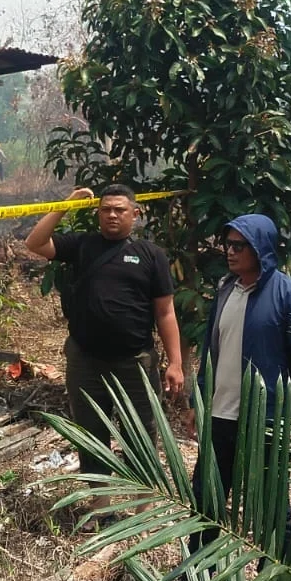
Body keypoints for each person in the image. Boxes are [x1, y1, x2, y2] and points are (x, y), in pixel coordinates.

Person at [26, 185, 186, 477]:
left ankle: (142, 511)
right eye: (106, 210)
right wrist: (66, 204)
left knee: (140, 431)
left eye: (120, 210)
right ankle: (101, 508)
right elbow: (35, 243)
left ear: (135, 214)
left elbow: (165, 312)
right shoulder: (82, 245)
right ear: (98, 214)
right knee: (90, 432)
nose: (112, 215)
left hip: (135, 360)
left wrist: (175, 363)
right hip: (85, 359)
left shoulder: (151, 255)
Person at [191, 214, 291, 551]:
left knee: (271, 512)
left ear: (260, 248)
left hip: (265, 424)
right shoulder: (226, 290)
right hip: (220, 418)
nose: (230, 252)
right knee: (205, 505)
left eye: (239, 246)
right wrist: (200, 400)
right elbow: (212, 350)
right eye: (227, 245)